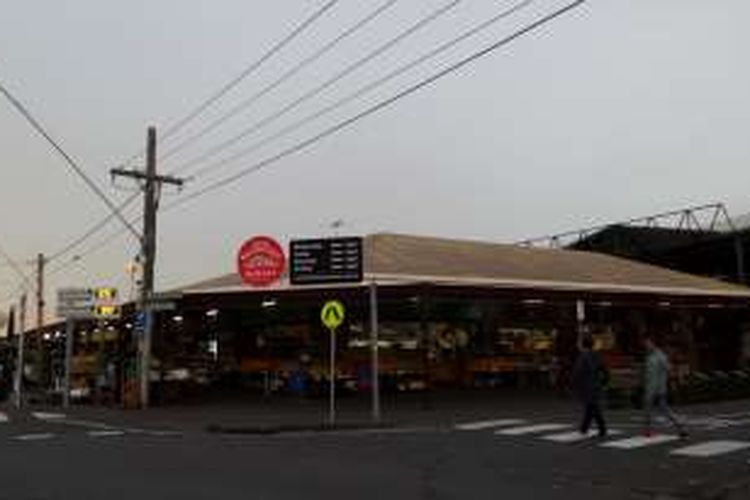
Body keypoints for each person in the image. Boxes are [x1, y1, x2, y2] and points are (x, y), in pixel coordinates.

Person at [642, 336, 688, 438]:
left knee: (662, 410)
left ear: (653, 344)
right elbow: (648, 373)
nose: (646, 346)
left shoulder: (661, 356)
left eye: (648, 343)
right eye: (645, 344)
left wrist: (675, 380)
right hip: (650, 388)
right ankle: (648, 431)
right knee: (649, 410)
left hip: (658, 389)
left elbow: (669, 369)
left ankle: (680, 426)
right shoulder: (649, 356)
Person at [572, 335, 609, 437]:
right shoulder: (597, 355)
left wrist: (574, 384)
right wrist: (603, 382)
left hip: (586, 385)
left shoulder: (583, 356)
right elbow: (605, 370)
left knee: (593, 407)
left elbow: (577, 372)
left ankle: (602, 429)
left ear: (583, 345)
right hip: (596, 384)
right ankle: (584, 428)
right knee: (590, 406)